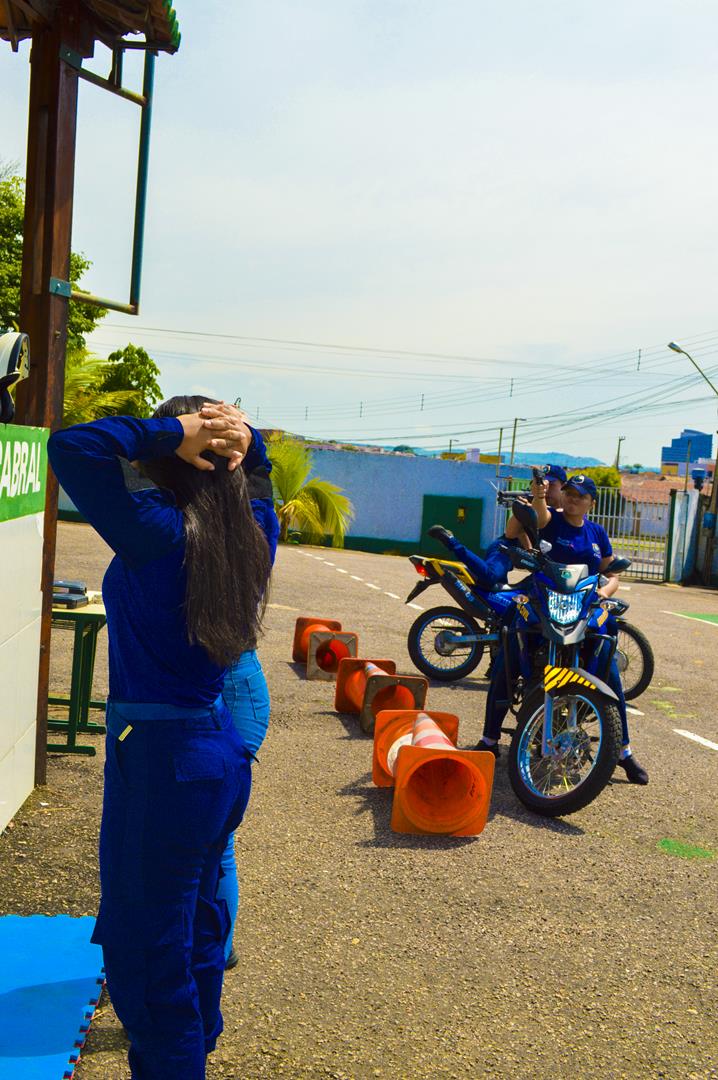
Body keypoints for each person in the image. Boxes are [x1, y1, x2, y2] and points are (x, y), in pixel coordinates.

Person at [48, 397, 272, 1079]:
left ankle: (179, 1059)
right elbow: (260, 481)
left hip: (162, 762)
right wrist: (245, 439)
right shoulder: (252, 531)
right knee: (197, 925)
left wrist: (174, 431)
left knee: (147, 962)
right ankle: (198, 1045)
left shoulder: (157, 531)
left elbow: (73, 447)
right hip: (216, 755)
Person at [477, 472, 649, 785]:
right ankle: (489, 739)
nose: (573, 499)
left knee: (609, 666)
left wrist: (604, 592)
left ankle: (622, 750)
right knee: (509, 654)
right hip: (544, 602)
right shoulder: (551, 520)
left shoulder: (597, 533)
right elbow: (535, 518)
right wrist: (539, 495)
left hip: (584, 608)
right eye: (569, 493)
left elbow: (611, 572)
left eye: (580, 496)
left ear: (591, 502)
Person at [198, 403, 279, 971]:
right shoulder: (242, 527)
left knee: (214, 840)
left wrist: (247, 441)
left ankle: (213, 950)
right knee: (207, 840)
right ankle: (206, 946)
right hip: (238, 689)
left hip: (234, 689)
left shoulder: (242, 533)